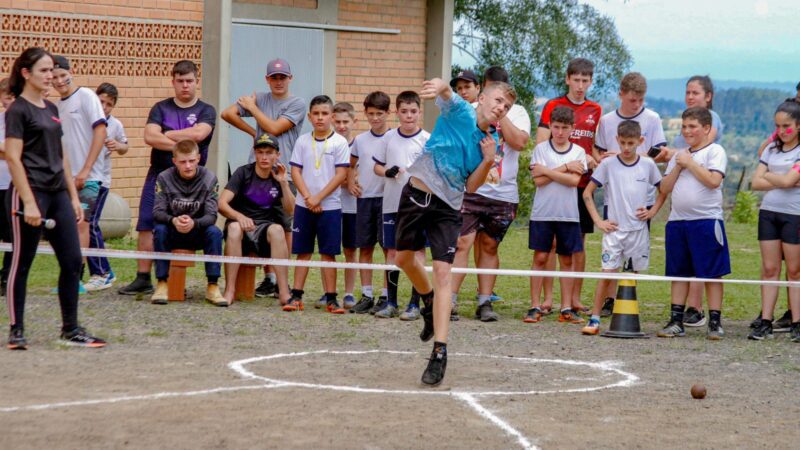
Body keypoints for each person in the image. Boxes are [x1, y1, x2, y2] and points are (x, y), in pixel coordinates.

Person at [394, 78, 515, 386]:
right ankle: (429, 300)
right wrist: (439, 84)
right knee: (403, 259)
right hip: (416, 194)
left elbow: (471, 186)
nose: (501, 108)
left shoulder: (491, 143)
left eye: (507, 106)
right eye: (498, 101)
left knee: (443, 271)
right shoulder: (460, 110)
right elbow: (447, 94)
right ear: (483, 98)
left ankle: (439, 351)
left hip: (448, 208)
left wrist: (488, 161)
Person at [4, 47, 106, 349]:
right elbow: (12, 157)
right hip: (30, 193)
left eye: (53, 70)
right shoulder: (18, 110)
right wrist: (30, 202)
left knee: (73, 260)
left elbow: (62, 157)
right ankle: (16, 329)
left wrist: (73, 197)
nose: (51, 76)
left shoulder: (51, 108)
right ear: (26, 73)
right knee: (22, 262)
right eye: (44, 71)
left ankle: (71, 328)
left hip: (58, 193)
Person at [118, 60, 216, 296]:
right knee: (146, 223)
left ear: (196, 81)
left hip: (193, 179)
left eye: (189, 81)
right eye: (180, 81)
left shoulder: (206, 110)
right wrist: (183, 146)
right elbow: (150, 136)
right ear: (173, 81)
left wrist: (168, 134)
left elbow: (199, 134)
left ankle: (210, 282)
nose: (185, 86)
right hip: (159, 175)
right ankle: (143, 277)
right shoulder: (160, 108)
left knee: (200, 225)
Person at [450, 66, 531, 323]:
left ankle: (485, 301)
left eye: (502, 97)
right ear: (483, 92)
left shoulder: (517, 112)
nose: (498, 101)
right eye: (493, 95)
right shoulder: (470, 111)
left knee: (489, 245)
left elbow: (519, 142)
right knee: (462, 242)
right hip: (471, 188)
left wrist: (502, 113)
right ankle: (449, 299)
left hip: (503, 193)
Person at [221, 58, 305, 298]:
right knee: (254, 217)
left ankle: (282, 283)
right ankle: (267, 279)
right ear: (267, 79)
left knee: (283, 225)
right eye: (274, 77)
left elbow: (275, 129)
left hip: (282, 170)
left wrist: (254, 110)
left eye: (283, 77)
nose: (278, 82)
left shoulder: (296, 103)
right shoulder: (260, 97)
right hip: (257, 167)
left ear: (290, 79)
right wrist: (253, 134)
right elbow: (227, 113)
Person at [592, 72, 667, 315]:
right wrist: (606, 164)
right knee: (612, 248)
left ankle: (628, 299)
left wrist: (633, 157)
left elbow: (660, 153)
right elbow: (599, 151)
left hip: (641, 197)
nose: (637, 105)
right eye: (633, 100)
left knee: (634, 255)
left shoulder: (652, 118)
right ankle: (609, 300)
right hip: (614, 195)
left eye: (641, 100)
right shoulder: (607, 120)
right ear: (621, 94)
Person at [580, 120, 662, 335]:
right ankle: (595, 318)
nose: (626, 148)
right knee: (607, 273)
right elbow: (587, 193)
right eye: (623, 143)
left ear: (640, 141)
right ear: (617, 140)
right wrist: (599, 221)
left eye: (631, 143)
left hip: (638, 230)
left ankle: (627, 316)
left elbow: (663, 190)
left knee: (631, 276)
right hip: (614, 231)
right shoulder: (608, 164)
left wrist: (652, 212)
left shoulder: (648, 165)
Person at [656, 75, 725, 328]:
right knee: (679, 271)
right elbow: (664, 187)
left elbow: (713, 181)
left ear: (706, 128)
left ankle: (715, 321)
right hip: (678, 221)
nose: (687, 132)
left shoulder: (715, 151)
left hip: (706, 221)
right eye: (684, 127)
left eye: (693, 127)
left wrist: (691, 164)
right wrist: (678, 165)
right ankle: (676, 320)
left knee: (711, 272)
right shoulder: (679, 155)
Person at [535, 58, 601, 315]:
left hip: (581, 185)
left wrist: (594, 158)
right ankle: (548, 299)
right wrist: (558, 167)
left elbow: (593, 145)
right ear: (567, 79)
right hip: (554, 182)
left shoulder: (595, 109)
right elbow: (542, 142)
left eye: (585, 81)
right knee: (550, 243)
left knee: (577, 244)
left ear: (591, 82)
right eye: (576, 80)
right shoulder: (553, 105)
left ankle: (573, 298)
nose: (580, 85)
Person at [283, 95, 349, 313]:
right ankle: (296, 296)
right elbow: (295, 171)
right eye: (316, 114)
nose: (320, 118)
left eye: (325, 113)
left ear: (331, 116)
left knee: (328, 253)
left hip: (329, 206)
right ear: (310, 117)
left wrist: (318, 198)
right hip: (304, 205)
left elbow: (341, 175)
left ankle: (331, 298)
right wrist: (308, 197)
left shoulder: (339, 142)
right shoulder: (302, 141)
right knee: (303, 251)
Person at [525, 106, 587, 325]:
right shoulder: (541, 149)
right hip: (543, 213)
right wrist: (565, 167)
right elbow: (538, 181)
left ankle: (567, 307)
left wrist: (550, 170)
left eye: (565, 128)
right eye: (556, 127)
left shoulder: (578, 152)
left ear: (572, 128)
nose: (560, 132)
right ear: (550, 126)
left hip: (568, 215)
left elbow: (573, 181)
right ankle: (534, 305)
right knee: (541, 257)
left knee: (567, 260)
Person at [51, 55, 108, 294]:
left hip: (88, 177)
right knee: (64, 228)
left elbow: (100, 131)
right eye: (53, 78)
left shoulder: (86, 97)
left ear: (70, 72)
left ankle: (77, 277)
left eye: (62, 75)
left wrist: (86, 169)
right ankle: (67, 275)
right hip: (65, 178)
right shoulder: (56, 106)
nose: (59, 81)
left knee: (81, 223)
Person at [372, 90, 430, 319]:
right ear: (397, 113)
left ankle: (415, 304)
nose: (409, 116)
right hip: (391, 204)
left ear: (419, 112)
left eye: (413, 111)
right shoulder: (388, 137)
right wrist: (387, 171)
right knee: (393, 251)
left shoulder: (427, 139)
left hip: (418, 205)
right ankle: (391, 302)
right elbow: (376, 167)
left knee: (417, 252)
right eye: (404, 111)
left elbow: (434, 171)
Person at [218, 134, 294, 306]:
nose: (264, 157)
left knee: (278, 230)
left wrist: (284, 183)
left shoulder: (278, 177)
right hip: (241, 229)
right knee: (235, 228)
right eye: (260, 152)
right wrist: (239, 216)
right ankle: (229, 289)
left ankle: (283, 291)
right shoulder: (243, 172)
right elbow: (222, 204)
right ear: (255, 153)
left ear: (277, 155)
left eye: (269, 152)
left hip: (264, 231)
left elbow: (290, 210)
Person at [748, 101, 800, 342]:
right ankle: (765, 320)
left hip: (794, 214)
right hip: (769, 212)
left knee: (794, 270)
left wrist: (770, 176)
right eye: (778, 126)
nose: (781, 131)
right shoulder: (771, 150)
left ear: (798, 126)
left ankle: (797, 323)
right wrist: (780, 178)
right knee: (770, 269)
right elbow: (755, 183)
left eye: (786, 126)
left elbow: (790, 181)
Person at [151, 140, 224, 306]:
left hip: (197, 231)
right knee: (159, 229)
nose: (188, 166)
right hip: (173, 230)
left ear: (198, 158)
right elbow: (157, 212)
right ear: (174, 161)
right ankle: (162, 283)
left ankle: (213, 285)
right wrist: (173, 220)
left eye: (191, 161)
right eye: (183, 162)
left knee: (215, 232)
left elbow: (212, 215)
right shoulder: (163, 177)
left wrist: (194, 223)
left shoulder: (209, 177)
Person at [348, 91, 392, 314]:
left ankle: (386, 296)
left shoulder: (394, 137)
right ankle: (366, 295)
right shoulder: (360, 140)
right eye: (371, 114)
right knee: (365, 247)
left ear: (388, 113)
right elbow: (350, 163)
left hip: (388, 200)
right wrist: (349, 182)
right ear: (365, 113)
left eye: (380, 114)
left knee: (388, 249)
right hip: (365, 199)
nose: (375, 118)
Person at [84, 82, 128, 292]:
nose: (104, 106)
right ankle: (89, 271)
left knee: (91, 223)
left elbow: (125, 146)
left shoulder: (115, 125)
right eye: (101, 101)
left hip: (101, 181)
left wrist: (118, 146)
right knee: (81, 225)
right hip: (81, 178)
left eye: (109, 104)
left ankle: (103, 272)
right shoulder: (85, 119)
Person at [332, 102, 359, 309]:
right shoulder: (329, 144)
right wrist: (346, 180)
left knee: (350, 250)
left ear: (354, 121)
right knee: (329, 250)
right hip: (331, 205)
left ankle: (349, 293)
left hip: (353, 207)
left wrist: (349, 180)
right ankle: (328, 292)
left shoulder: (359, 145)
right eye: (338, 121)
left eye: (345, 122)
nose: (341, 126)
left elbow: (359, 177)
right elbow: (329, 178)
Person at [0, 78, 15, 293]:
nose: (9, 102)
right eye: (6, 97)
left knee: (12, 235)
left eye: (13, 97)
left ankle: (7, 277)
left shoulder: (23, 122)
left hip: (14, 186)